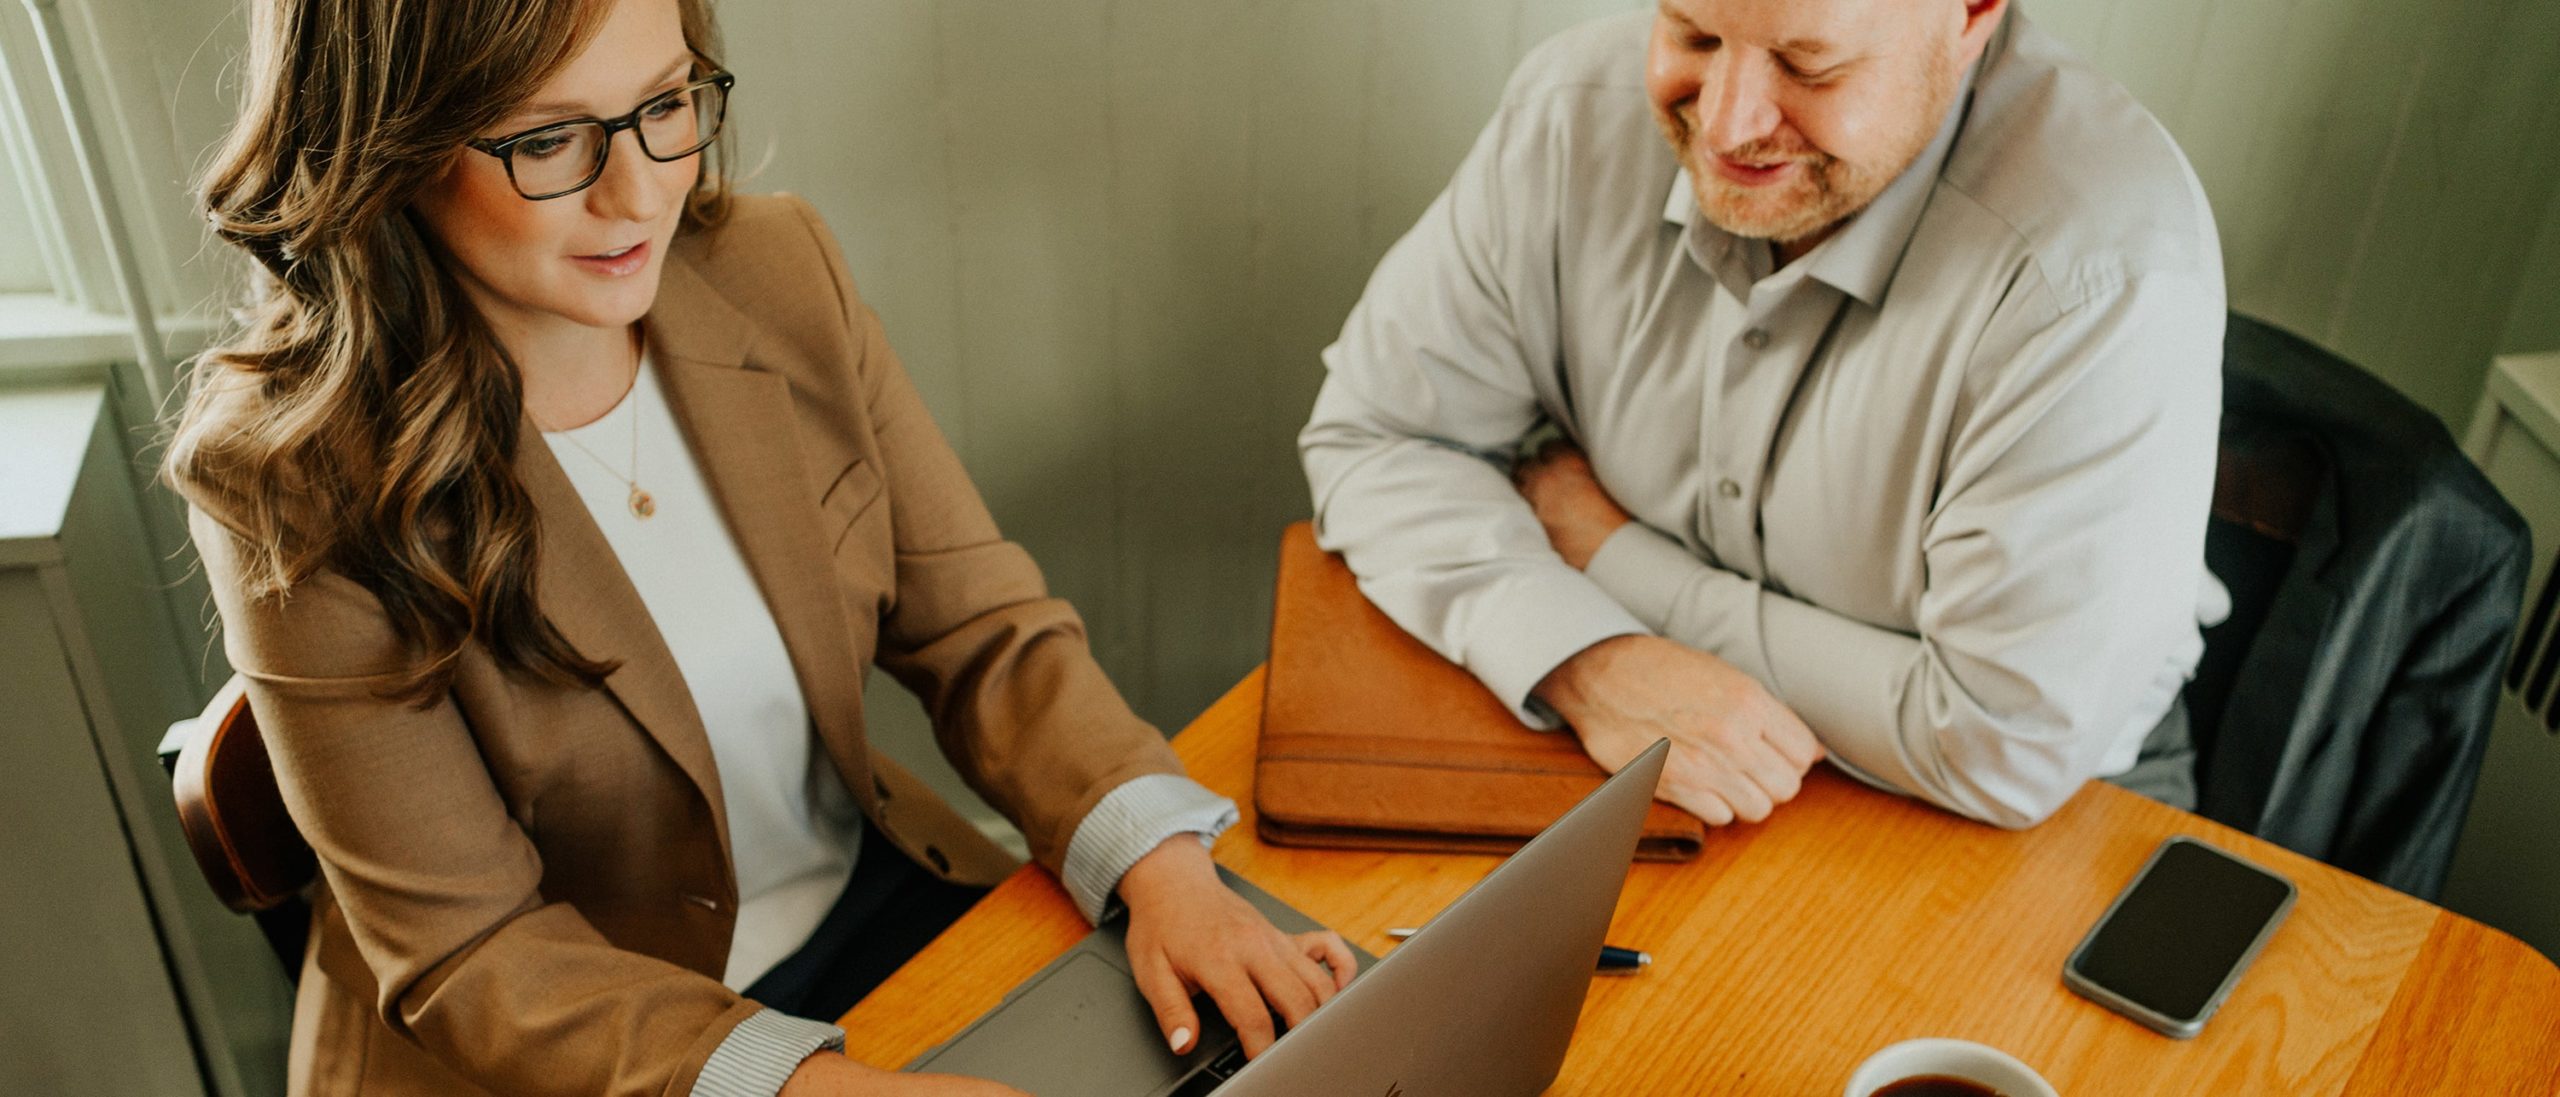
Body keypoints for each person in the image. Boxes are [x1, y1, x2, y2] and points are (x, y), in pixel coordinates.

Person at [163, 0, 1351, 1094]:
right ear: (394, 142)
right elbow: (477, 954)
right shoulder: (285, 484)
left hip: (869, 905)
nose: (639, 194)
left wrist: (1165, 868)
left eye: (667, 104)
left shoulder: (776, 271)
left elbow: (982, 629)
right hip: (573, 1044)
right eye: (549, 140)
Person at [1299, 0, 2226, 832]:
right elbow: (1377, 433)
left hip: (2030, 818)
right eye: (1691, 32)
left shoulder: (2102, 271)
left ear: (1973, 13)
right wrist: (1590, 661)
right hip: (1646, 745)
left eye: (1809, 65)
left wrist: (1608, 552)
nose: (1729, 125)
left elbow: (1999, 745)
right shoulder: (1567, 113)